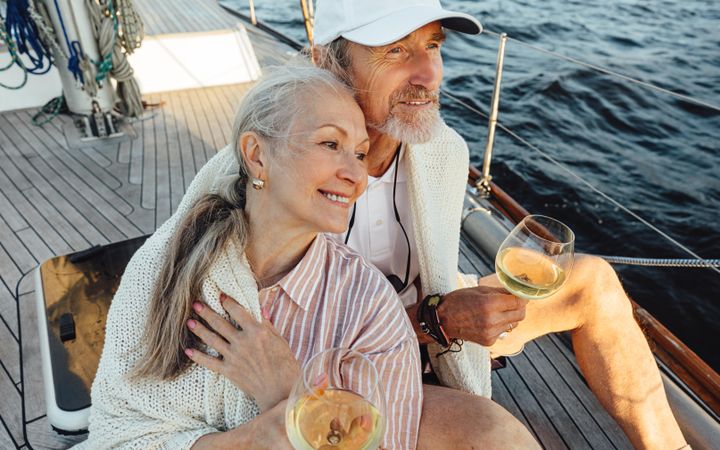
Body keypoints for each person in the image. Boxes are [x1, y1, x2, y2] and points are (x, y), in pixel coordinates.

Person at [309, 1, 689, 449]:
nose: (428, 74)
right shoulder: (287, 169)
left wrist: (448, 312)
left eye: (432, 45)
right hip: (346, 371)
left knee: (592, 282)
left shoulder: (441, 151)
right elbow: (298, 343)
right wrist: (438, 320)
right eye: (394, 50)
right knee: (496, 436)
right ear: (328, 62)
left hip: (432, 327)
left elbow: (435, 274)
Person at [77, 66, 422, 450]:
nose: (356, 175)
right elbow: (117, 431)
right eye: (330, 144)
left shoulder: (370, 307)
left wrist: (291, 393)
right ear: (257, 155)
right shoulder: (166, 262)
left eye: (360, 154)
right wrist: (252, 439)